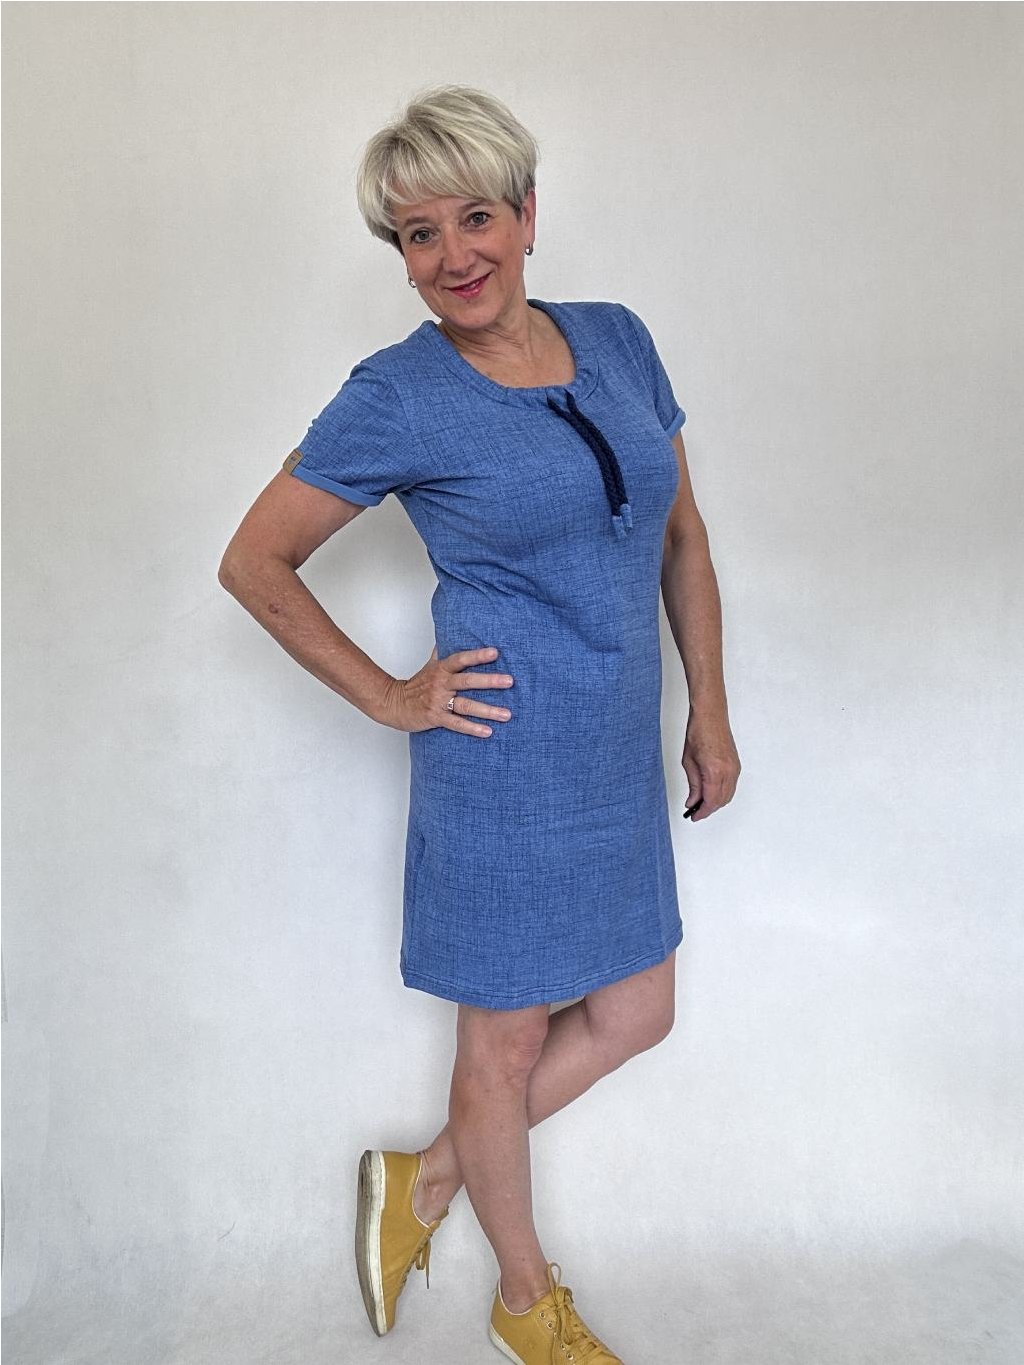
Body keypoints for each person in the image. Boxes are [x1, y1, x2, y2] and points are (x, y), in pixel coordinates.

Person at [218, 83, 740, 1365]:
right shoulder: (397, 395)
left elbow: (680, 534)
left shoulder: (618, 340)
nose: (452, 255)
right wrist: (391, 695)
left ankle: (427, 1176)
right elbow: (254, 562)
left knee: (635, 1012)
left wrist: (709, 710)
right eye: (417, 234)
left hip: (614, 754)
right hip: (501, 762)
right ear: (397, 254)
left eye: (474, 218)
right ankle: (522, 1302)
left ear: (526, 215)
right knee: (501, 1047)